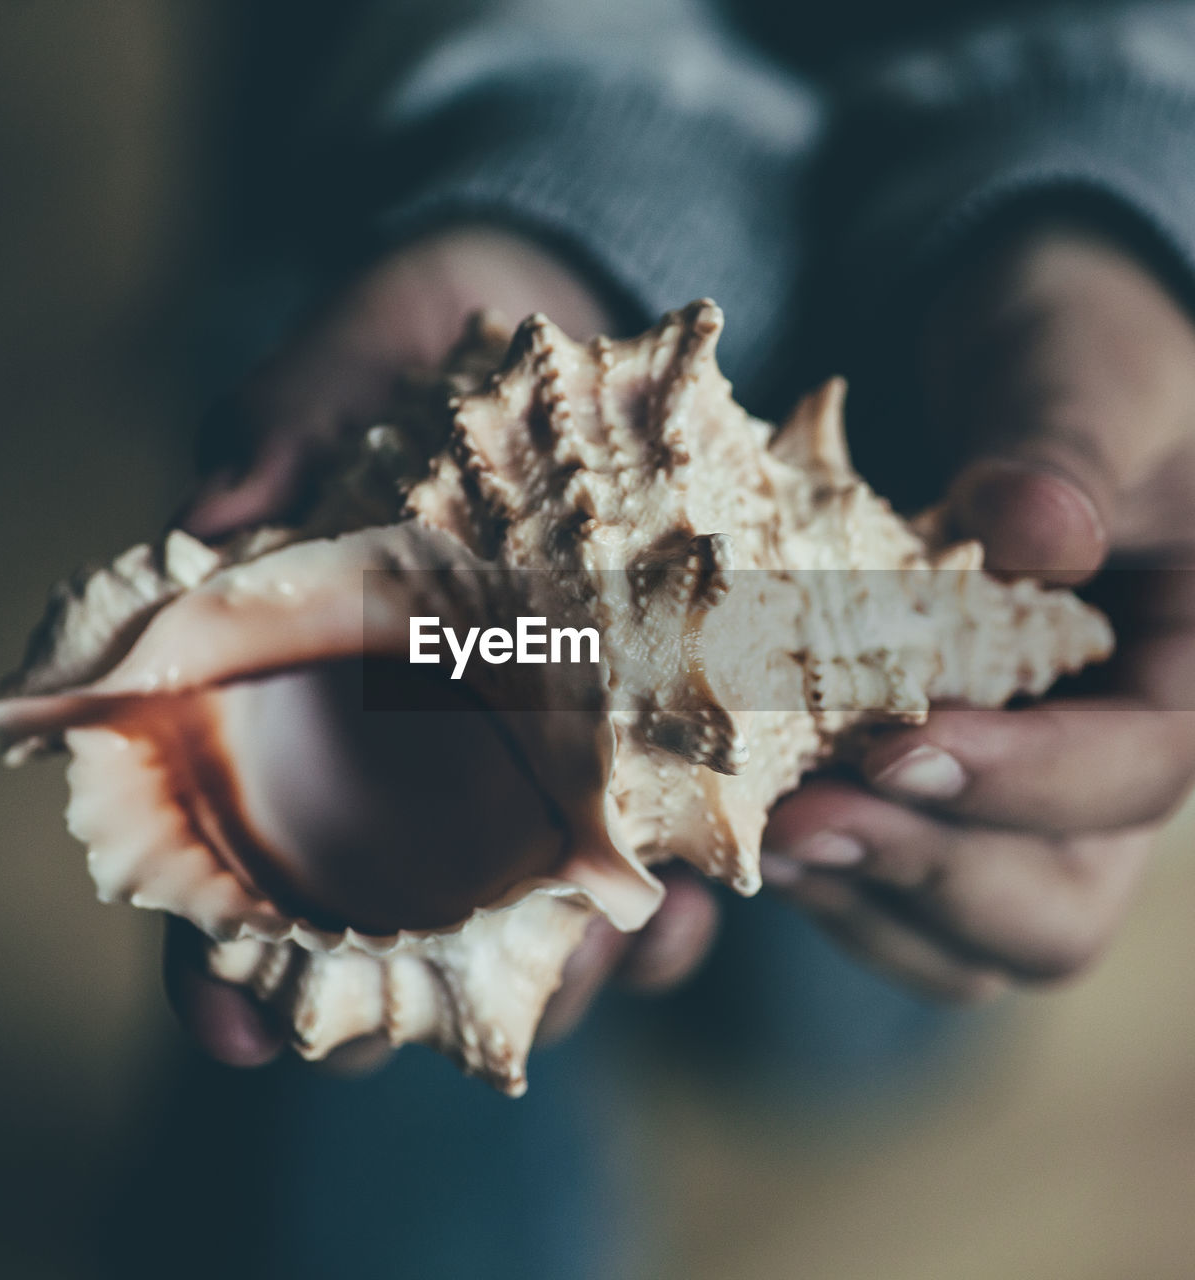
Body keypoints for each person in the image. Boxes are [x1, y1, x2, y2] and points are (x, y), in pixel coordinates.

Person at [137, 2, 1195, 1272]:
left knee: (836, 1013)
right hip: (419, 169)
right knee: (395, 1110)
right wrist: (544, 176)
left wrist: (1119, 185)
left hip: (882, 437)